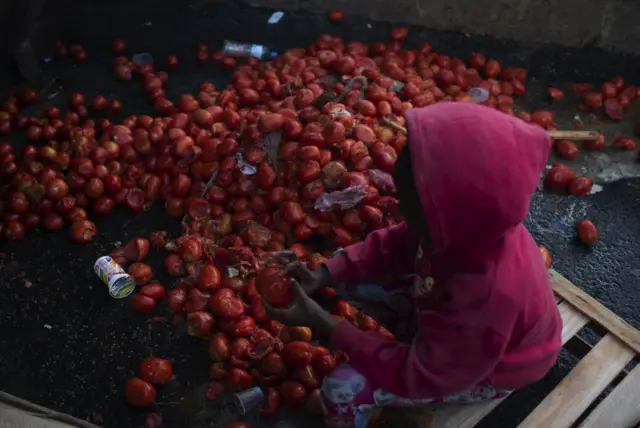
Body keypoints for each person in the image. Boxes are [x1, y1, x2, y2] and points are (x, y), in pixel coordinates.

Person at [265, 102, 563, 428]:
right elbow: (393, 244)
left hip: (491, 368)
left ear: (447, 217)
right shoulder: (466, 226)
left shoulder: (488, 295)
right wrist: (322, 274)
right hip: (459, 332)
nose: (399, 212)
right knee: (346, 275)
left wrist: (326, 325)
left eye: (410, 208)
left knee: (341, 389)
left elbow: (424, 373)